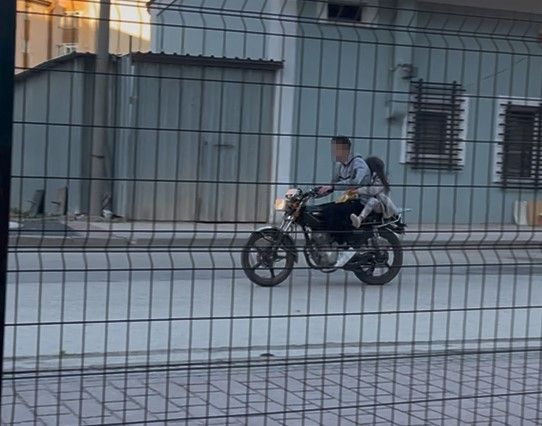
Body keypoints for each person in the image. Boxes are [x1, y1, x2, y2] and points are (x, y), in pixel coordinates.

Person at [316, 136, 371, 267]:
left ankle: (342, 244)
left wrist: (332, 187)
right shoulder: (340, 166)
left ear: (345, 149)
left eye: (336, 148)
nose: (333, 152)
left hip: (362, 201)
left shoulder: (358, 163)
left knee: (333, 211)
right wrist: (318, 191)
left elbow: (355, 182)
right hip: (349, 200)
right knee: (321, 210)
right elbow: (334, 184)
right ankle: (327, 241)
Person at [349, 156, 399, 228]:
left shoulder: (381, 179)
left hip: (381, 206)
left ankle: (359, 219)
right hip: (368, 202)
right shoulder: (369, 176)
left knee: (373, 200)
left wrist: (357, 191)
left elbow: (373, 190)